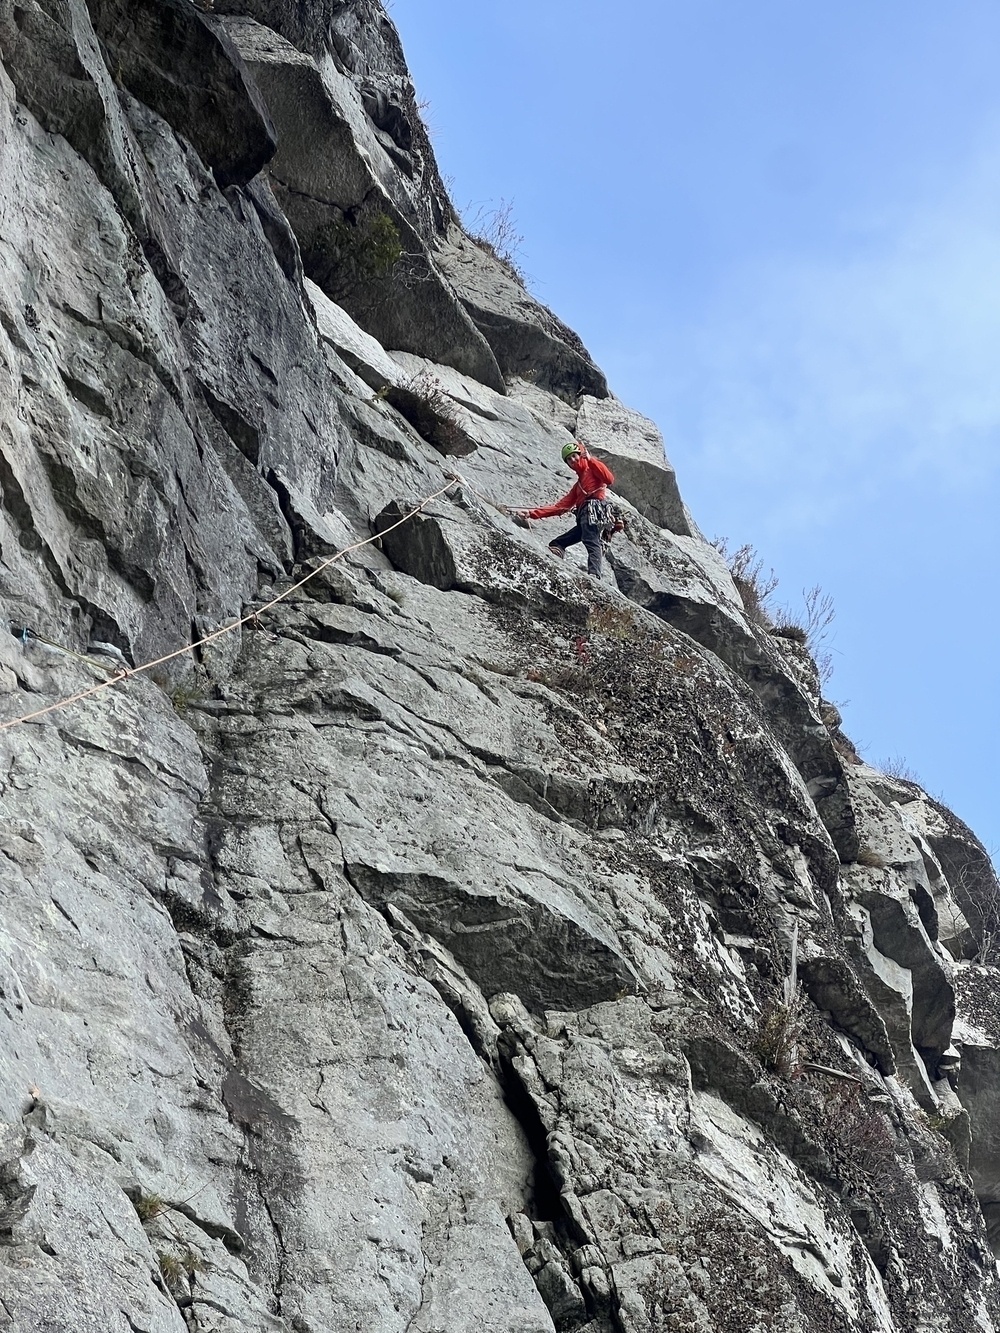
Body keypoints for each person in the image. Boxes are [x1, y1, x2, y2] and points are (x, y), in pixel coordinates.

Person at [507, 442, 615, 577]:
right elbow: (559, 507)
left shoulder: (592, 470)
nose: (573, 460)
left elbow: (609, 479)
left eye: (574, 456)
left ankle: (594, 574)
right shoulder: (578, 486)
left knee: (590, 539)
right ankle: (557, 549)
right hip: (584, 517)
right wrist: (531, 513)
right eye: (569, 459)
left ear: (580, 455)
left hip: (592, 511)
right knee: (560, 542)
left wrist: (591, 459)